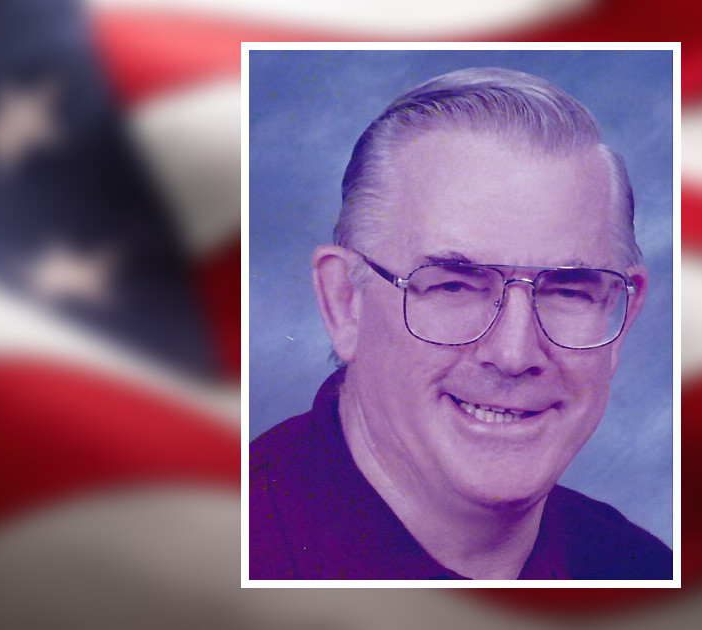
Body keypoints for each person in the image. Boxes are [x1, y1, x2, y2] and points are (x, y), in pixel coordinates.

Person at [249, 67, 671, 580]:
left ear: (620, 314)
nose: (514, 354)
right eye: (453, 285)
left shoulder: (641, 571)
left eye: (567, 290)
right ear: (344, 302)